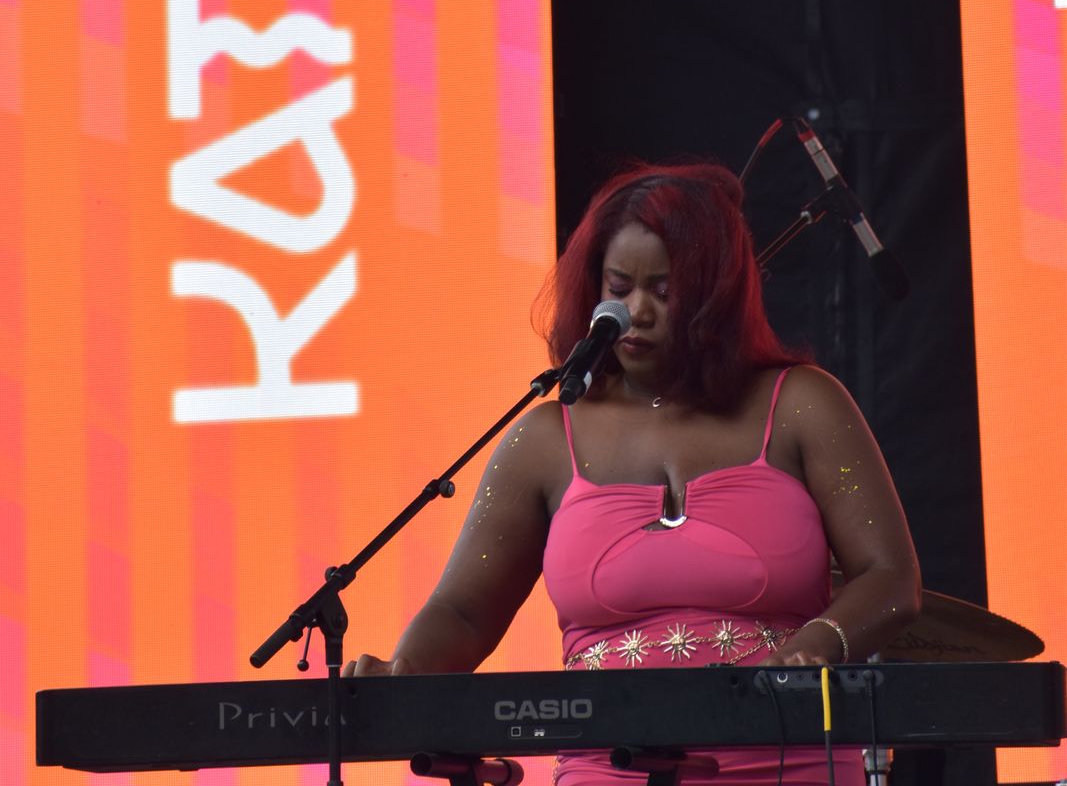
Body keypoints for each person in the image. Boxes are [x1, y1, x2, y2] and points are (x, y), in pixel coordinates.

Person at [346, 162, 921, 786]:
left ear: (716, 295)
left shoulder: (803, 404)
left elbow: (890, 576)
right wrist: (403, 675)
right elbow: (463, 611)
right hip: (606, 769)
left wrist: (820, 642)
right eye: (618, 287)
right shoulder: (544, 438)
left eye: (665, 293)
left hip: (786, 757)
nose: (636, 311)